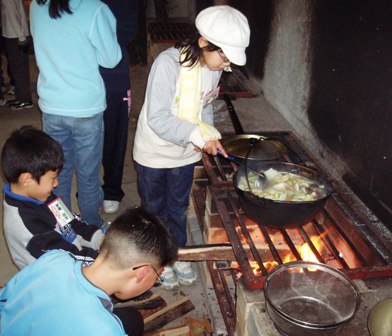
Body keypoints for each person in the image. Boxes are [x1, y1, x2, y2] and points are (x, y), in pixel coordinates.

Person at [133, 5, 250, 289]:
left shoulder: (214, 68)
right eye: (224, 55)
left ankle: (177, 254)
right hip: (154, 153)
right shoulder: (168, 64)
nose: (227, 65)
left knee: (178, 206)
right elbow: (158, 118)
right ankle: (157, 258)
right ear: (202, 42)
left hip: (185, 153)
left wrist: (209, 134)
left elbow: (205, 105)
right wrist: (198, 137)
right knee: (155, 209)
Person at [0, 206, 178, 336]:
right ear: (143, 272)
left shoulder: (54, 258)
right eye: (157, 276)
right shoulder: (106, 330)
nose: (156, 281)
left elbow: (1, 303)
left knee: (130, 319)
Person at [30, 0, 122, 228]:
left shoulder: (35, 5)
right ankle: (90, 228)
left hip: (52, 106)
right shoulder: (94, 9)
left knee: (55, 176)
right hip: (85, 108)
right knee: (88, 177)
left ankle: (64, 227)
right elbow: (111, 59)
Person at [0, 126, 107, 270]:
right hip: (53, 278)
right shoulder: (27, 227)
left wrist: (101, 240)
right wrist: (107, 259)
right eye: (53, 178)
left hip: (71, 257)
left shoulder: (44, 195)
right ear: (26, 180)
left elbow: (72, 222)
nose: (56, 184)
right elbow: (69, 259)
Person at [100, 0, 139, 214]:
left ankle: (111, 190)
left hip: (115, 77)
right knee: (87, 140)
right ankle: (91, 190)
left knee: (115, 137)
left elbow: (128, 30)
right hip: (84, 77)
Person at [1, 0, 34, 110]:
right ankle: (21, 98)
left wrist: (21, 37)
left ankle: (25, 100)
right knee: (18, 69)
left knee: (19, 69)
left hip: (14, 36)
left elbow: (12, 15)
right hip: (16, 34)